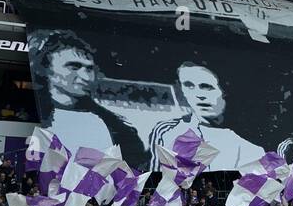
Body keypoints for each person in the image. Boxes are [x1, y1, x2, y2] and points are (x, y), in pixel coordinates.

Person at [27, 29, 146, 165]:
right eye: (74, 67)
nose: (86, 77)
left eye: (89, 69)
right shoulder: (35, 113)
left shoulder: (114, 126)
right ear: (45, 67)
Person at [148, 62, 265, 172]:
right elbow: (158, 182)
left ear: (225, 90)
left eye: (207, 87)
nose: (198, 95)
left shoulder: (252, 148)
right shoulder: (169, 131)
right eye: (189, 86)